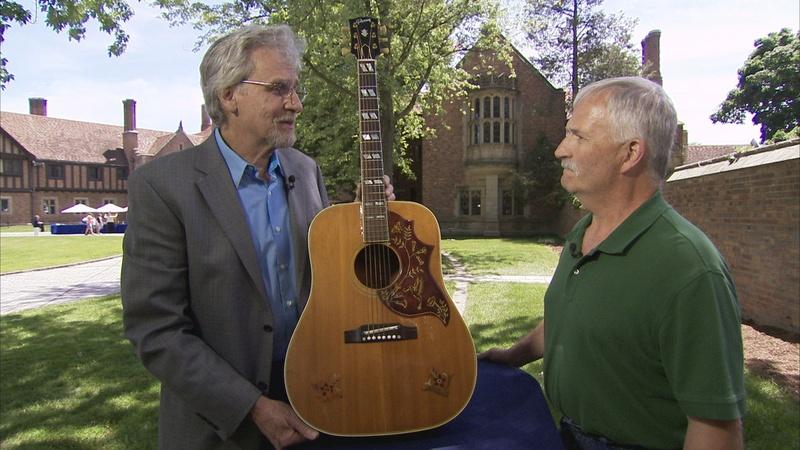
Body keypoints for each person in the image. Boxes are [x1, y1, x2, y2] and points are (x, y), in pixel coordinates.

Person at [121, 24, 394, 450]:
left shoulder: (304, 171)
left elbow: (330, 280)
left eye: (296, 88)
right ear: (229, 95)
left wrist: (361, 225)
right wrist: (251, 406)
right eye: (279, 89)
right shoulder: (162, 186)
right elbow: (156, 330)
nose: (296, 104)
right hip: (220, 426)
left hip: (321, 402)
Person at [480, 77, 745, 449]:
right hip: (567, 434)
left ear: (630, 153)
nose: (560, 149)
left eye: (578, 137)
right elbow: (569, 317)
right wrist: (513, 356)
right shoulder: (584, 233)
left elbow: (716, 429)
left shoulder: (689, 269)